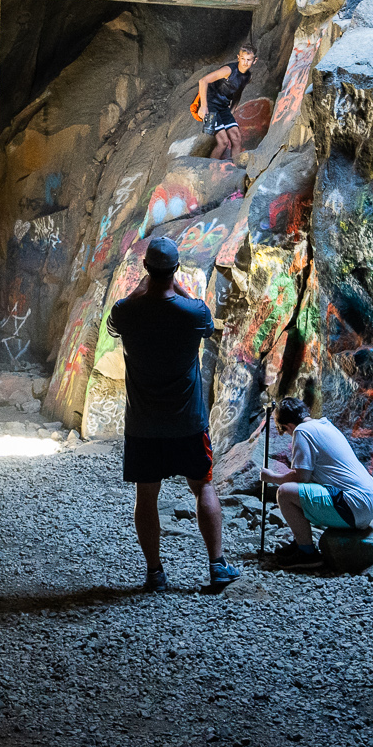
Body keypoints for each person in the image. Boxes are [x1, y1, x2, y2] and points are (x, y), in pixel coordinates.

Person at [108, 235, 240, 591]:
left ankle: (154, 573)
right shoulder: (193, 313)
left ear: (146, 270)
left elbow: (114, 320)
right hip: (187, 422)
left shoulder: (127, 311)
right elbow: (207, 322)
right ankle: (217, 566)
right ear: (175, 271)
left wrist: (141, 288)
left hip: (144, 425)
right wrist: (176, 287)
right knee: (203, 487)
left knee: (146, 497)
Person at [261, 397, 373, 566]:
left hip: (354, 505)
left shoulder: (302, 431)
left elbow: (301, 477)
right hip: (368, 500)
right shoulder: (324, 425)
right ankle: (300, 542)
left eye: (286, 431)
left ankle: (307, 553)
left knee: (285, 493)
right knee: (301, 491)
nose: (289, 435)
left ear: (288, 425)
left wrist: (272, 477)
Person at [197, 44, 257, 159]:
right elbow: (203, 81)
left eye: (249, 60)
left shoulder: (248, 76)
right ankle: (210, 171)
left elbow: (238, 93)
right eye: (243, 59)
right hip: (210, 105)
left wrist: (232, 111)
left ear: (254, 61)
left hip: (223, 107)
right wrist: (203, 106)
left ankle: (235, 171)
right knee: (223, 142)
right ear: (238, 57)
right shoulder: (228, 70)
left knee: (236, 138)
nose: (245, 62)